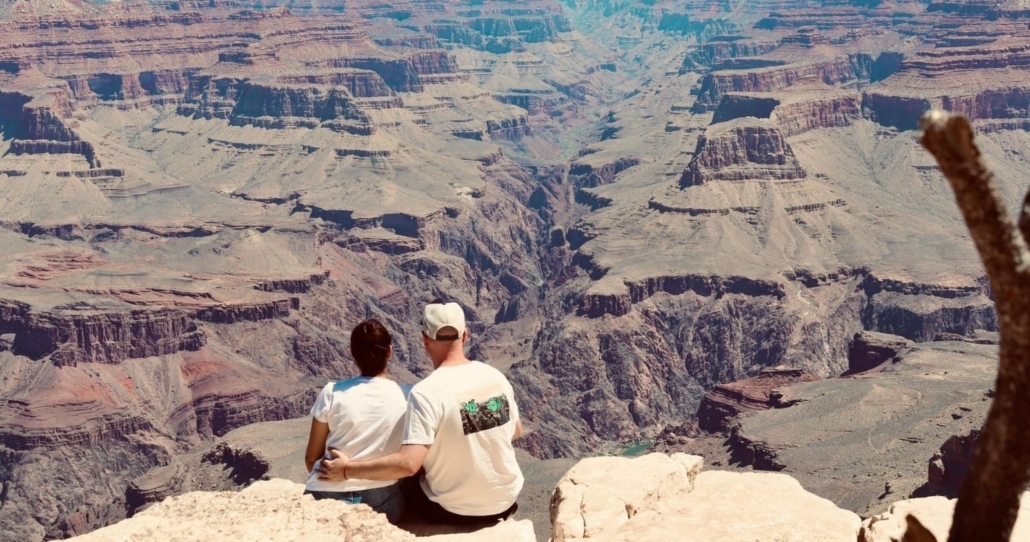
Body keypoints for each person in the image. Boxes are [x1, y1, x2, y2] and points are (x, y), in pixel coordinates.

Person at [317, 300, 524, 525]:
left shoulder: (426, 392)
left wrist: (346, 470)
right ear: (465, 336)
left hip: (453, 510)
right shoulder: (496, 377)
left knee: (404, 482)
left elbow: (408, 464)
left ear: (425, 340)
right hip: (505, 500)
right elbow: (515, 431)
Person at [303, 319, 410, 524]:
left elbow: (311, 459)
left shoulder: (331, 392)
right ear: (389, 352)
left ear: (352, 353)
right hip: (382, 501)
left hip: (325, 494)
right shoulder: (408, 395)